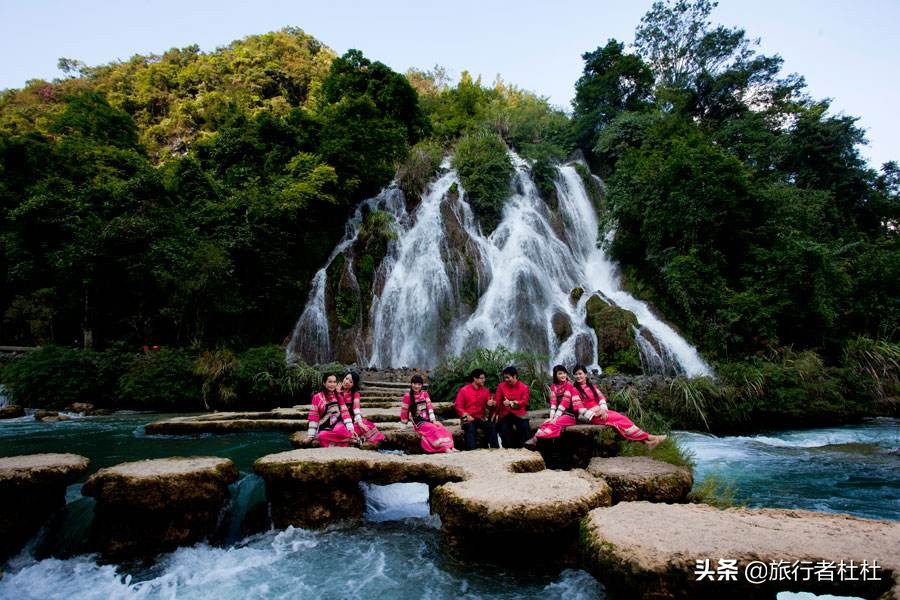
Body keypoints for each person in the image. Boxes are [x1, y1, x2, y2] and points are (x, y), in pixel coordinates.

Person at [571, 364, 667, 450]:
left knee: (623, 418)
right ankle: (651, 438)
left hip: (601, 413)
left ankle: (646, 442)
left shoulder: (591, 386)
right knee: (621, 420)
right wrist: (595, 412)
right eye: (576, 374)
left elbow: (601, 399)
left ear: (586, 374)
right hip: (592, 416)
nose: (578, 376)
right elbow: (579, 408)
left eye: (580, 373)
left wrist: (603, 410)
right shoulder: (574, 389)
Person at [525, 365, 580, 447]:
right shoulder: (554, 386)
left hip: (570, 415)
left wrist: (555, 417)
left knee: (555, 423)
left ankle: (536, 439)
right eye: (560, 373)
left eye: (564, 373)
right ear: (555, 375)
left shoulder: (569, 385)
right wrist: (551, 417)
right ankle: (538, 441)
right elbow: (553, 403)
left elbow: (565, 402)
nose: (563, 375)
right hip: (560, 414)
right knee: (546, 422)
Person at [400, 375, 457, 453]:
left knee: (441, 427)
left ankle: (451, 446)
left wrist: (433, 420)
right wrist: (403, 427)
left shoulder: (425, 394)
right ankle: (445, 448)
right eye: (414, 384)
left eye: (419, 384)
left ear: (421, 385)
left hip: (428, 420)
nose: (416, 386)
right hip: (419, 423)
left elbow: (429, 407)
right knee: (433, 429)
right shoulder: (407, 397)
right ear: (411, 384)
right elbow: (404, 412)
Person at [306, 372, 357, 447]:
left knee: (339, 429)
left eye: (334, 382)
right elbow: (314, 417)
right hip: (324, 425)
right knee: (321, 436)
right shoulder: (316, 397)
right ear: (324, 383)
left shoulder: (339, 395)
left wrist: (351, 429)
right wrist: (310, 436)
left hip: (338, 423)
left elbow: (345, 412)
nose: (332, 384)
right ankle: (350, 440)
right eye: (330, 382)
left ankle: (349, 437)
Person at [454, 368, 499, 450]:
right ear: (475, 379)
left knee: (491, 426)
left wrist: (490, 404)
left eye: (484, 378)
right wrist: (466, 415)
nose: (484, 380)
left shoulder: (486, 391)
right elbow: (458, 406)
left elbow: (489, 405)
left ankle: (496, 450)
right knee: (470, 428)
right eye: (481, 378)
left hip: (480, 418)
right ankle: (472, 452)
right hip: (467, 418)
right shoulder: (464, 390)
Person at [340, 371, 386, 446]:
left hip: (351, 419)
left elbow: (356, 409)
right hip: (338, 420)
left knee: (364, 426)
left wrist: (359, 422)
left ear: (353, 384)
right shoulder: (335, 391)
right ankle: (356, 439)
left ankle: (358, 438)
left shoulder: (355, 394)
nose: (347, 382)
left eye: (350, 381)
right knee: (340, 430)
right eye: (346, 378)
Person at [495, 366, 530, 448]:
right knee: (503, 428)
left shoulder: (524, 387)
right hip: (506, 414)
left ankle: (525, 448)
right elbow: (497, 401)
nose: (506, 380)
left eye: (508, 377)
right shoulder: (501, 386)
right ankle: (508, 449)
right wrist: (495, 412)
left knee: (524, 426)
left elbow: (524, 402)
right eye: (505, 378)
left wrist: (511, 403)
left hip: (519, 414)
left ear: (514, 376)